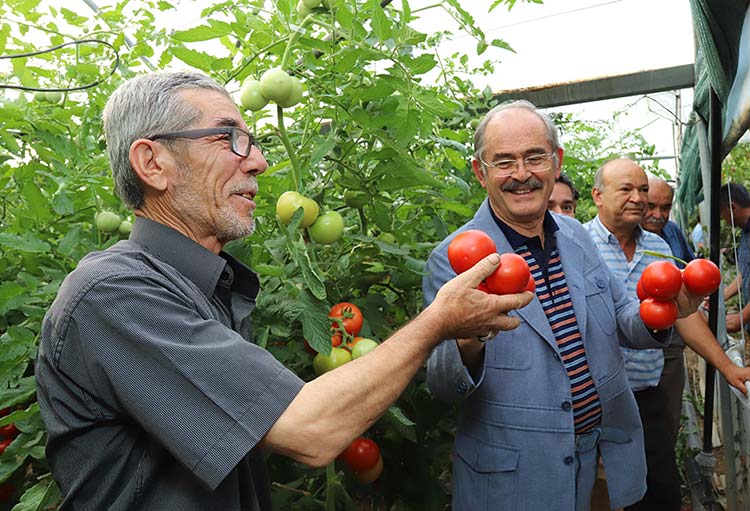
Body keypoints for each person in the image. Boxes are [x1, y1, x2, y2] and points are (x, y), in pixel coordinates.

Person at [34, 71, 533, 511]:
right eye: (229, 138)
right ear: (153, 163)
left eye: (252, 141)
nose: (260, 162)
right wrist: (438, 321)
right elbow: (311, 430)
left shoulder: (206, 286)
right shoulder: (115, 294)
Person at [423, 100, 705, 511]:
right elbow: (443, 386)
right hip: (517, 478)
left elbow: (625, 320)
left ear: (556, 161)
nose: (521, 174)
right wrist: (469, 336)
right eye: (504, 162)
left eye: (534, 157)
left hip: (596, 458)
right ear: (480, 172)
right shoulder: (454, 259)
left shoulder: (576, 236)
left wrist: (664, 309)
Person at [585, 160, 750, 511]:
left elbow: (681, 318)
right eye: (626, 189)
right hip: (590, 399)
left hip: (646, 394)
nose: (638, 198)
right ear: (598, 196)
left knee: (659, 487)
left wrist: (725, 365)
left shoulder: (658, 250)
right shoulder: (577, 247)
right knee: (594, 490)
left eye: (643, 190)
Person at [640, 176, 695, 442]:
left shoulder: (670, 235)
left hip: (670, 338)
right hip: (627, 353)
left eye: (665, 207)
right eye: (651, 206)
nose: (657, 215)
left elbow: (688, 275)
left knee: (666, 412)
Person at [719, 182, 750, 333]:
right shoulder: (745, 232)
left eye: (721, 212)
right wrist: (721, 297)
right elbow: (745, 273)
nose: (722, 218)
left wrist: (742, 317)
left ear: (732, 207)